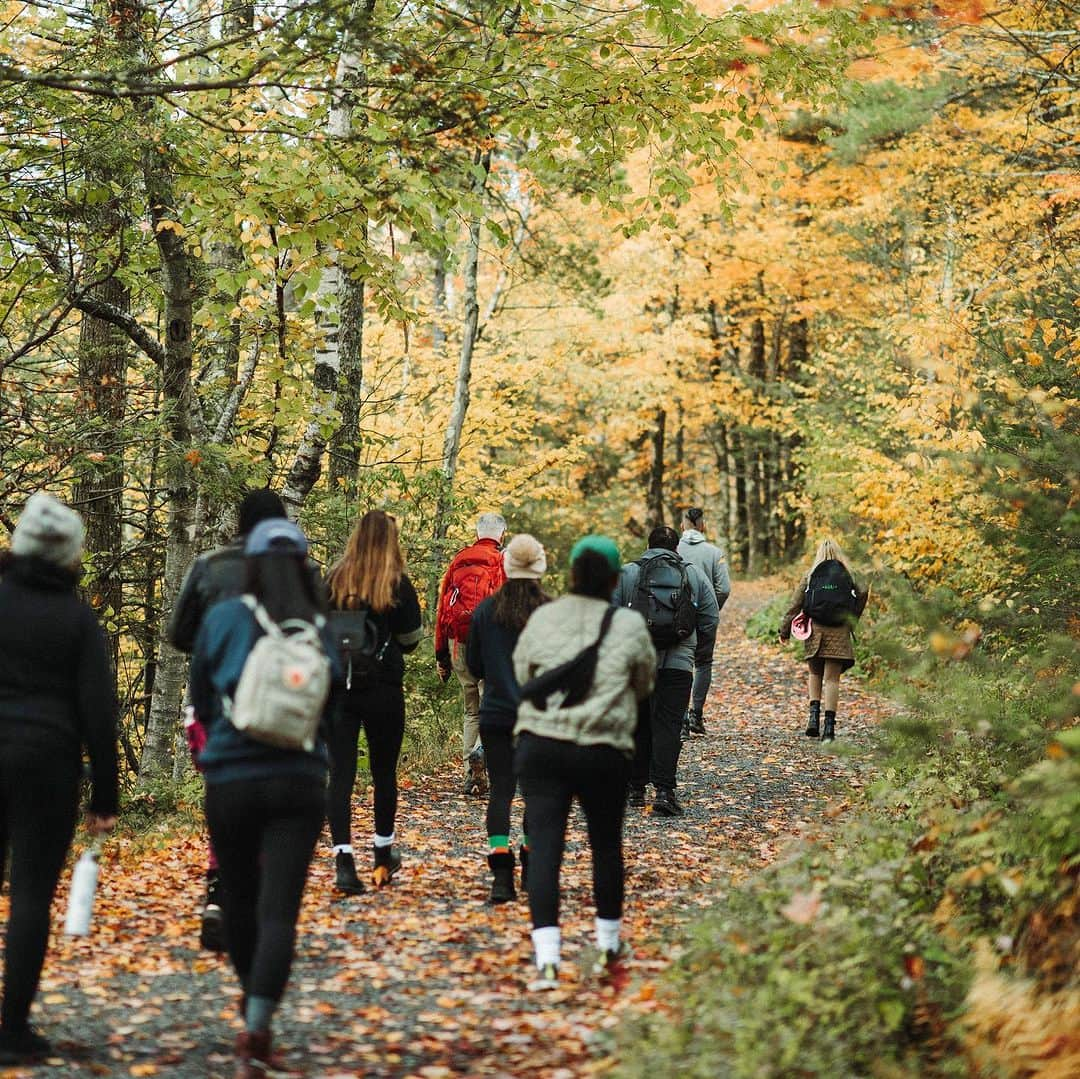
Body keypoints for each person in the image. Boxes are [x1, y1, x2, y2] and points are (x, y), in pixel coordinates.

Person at [189, 518, 343, 1078]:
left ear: (250, 564)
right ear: (304, 566)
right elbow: (330, 710)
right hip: (299, 783)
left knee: (239, 899)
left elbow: (201, 702)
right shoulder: (322, 626)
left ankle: (251, 992)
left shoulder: (224, 616)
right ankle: (258, 1023)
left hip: (230, 780)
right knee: (280, 909)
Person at [0, 493, 118, 1064]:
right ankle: (13, 1031)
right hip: (47, 764)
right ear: (70, 553)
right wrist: (105, 791)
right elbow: (98, 708)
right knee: (29, 896)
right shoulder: (76, 617)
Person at [512, 536, 656, 990]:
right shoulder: (629, 624)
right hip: (603, 748)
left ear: (571, 574)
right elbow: (644, 682)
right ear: (615, 579)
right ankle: (608, 949)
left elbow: (523, 674)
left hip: (542, 746)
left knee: (546, 850)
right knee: (606, 847)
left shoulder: (542, 617)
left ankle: (548, 961)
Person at [168, 487, 295, 952]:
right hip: (284, 709)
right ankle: (260, 898)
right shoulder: (301, 571)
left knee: (225, 798)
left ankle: (221, 894)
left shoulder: (210, 566)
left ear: (239, 523)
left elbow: (181, 634)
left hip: (216, 706)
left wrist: (216, 649)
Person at [324, 510, 422, 894]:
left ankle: (344, 862)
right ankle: (382, 856)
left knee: (341, 776)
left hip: (339, 690)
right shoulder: (397, 583)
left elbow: (317, 630)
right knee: (384, 773)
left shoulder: (334, 578)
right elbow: (411, 639)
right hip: (383, 688)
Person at [613, 525, 719, 818]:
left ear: (648, 546)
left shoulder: (627, 573)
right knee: (669, 724)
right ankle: (664, 792)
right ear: (676, 549)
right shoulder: (692, 574)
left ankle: (635, 789)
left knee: (638, 721)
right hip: (678, 660)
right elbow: (710, 616)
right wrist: (700, 651)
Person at [465, 534, 549, 904]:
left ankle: (501, 876)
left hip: (496, 713)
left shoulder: (485, 611)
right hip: (538, 717)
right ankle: (531, 868)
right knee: (535, 794)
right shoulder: (549, 612)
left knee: (501, 793)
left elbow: (473, 665)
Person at [434, 512, 507, 796]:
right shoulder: (501, 561)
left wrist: (441, 655)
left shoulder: (458, 561)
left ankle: (470, 776)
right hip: (490, 644)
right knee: (493, 707)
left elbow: (442, 610)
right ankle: (483, 754)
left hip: (459, 643)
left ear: (477, 534)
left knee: (471, 711)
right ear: (501, 535)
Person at [778, 538, 868, 742]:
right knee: (832, 679)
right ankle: (829, 729)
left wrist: (784, 630)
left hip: (815, 630)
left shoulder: (810, 575)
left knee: (815, 673)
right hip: (839, 631)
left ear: (819, 553)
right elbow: (863, 590)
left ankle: (812, 720)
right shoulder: (849, 574)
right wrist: (853, 616)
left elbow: (795, 604)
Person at [677, 507, 731, 737]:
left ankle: (679, 721)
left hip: (675, 615)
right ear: (702, 525)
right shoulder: (714, 552)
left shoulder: (672, 549)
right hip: (704, 617)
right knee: (703, 662)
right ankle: (696, 716)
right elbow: (724, 588)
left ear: (683, 525)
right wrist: (711, 607)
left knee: (678, 662)